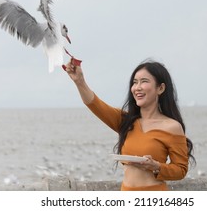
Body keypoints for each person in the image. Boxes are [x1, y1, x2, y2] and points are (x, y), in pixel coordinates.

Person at [64, 59, 195, 191]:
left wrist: (156, 166)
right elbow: (95, 104)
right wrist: (79, 81)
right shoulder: (126, 121)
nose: (137, 87)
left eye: (144, 81)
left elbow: (180, 170)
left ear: (160, 88)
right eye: (134, 82)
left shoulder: (172, 126)